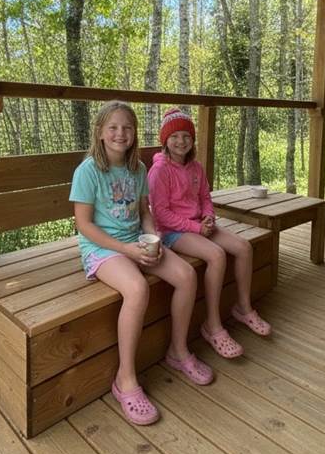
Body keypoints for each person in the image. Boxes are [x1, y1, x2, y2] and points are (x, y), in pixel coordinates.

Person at [70, 101, 212, 426]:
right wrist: (126, 249)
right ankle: (125, 379)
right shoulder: (88, 171)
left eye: (127, 128)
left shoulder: (138, 169)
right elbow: (85, 225)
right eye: (114, 128)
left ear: (135, 134)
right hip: (102, 248)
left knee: (187, 275)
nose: (121, 133)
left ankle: (177, 351)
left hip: (136, 240)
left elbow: (146, 212)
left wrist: (153, 238)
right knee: (136, 289)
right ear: (101, 132)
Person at [147, 108, 271, 361]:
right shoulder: (159, 171)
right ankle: (212, 325)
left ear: (193, 140)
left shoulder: (196, 168)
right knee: (216, 255)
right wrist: (196, 228)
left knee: (244, 247)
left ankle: (243, 308)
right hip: (173, 232)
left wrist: (208, 217)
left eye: (186, 136)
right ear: (165, 140)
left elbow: (205, 197)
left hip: (199, 225)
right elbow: (160, 214)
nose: (181, 141)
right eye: (175, 136)